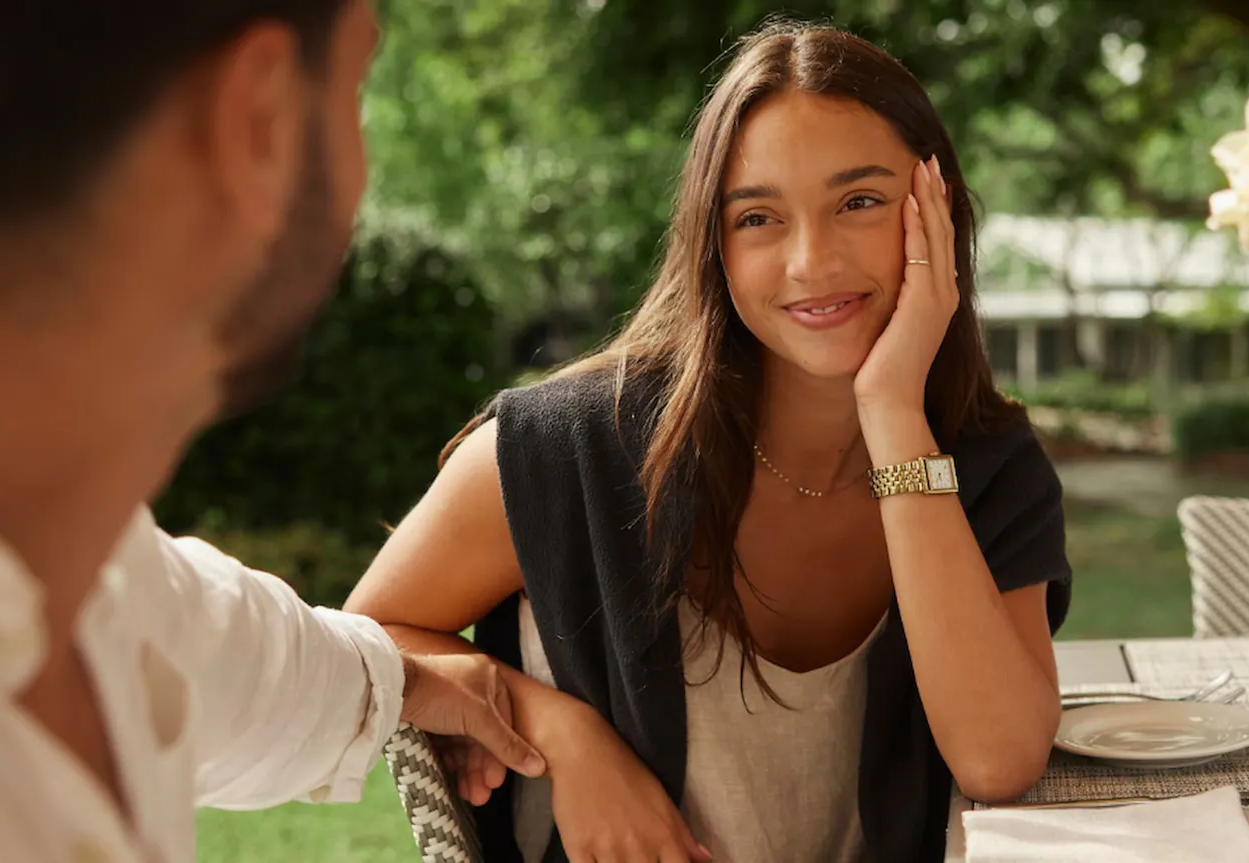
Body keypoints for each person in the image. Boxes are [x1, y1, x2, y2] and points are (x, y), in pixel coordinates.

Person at [346, 20, 1072, 863]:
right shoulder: (570, 446)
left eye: (860, 202)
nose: (811, 260)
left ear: (934, 211)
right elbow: (356, 648)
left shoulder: (986, 464)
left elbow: (999, 758)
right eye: (759, 217)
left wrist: (894, 413)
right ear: (713, 244)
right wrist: (555, 725)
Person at [0, 3, 544, 863]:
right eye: (358, 83)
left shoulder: (80, 566)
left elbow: (225, 650)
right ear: (259, 121)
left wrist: (406, 677)